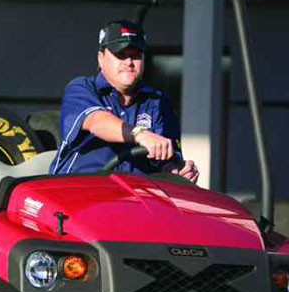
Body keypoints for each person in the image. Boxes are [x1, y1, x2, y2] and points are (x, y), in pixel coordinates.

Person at [48, 19, 199, 183]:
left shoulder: (158, 101)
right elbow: (96, 121)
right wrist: (140, 135)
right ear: (101, 58)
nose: (129, 62)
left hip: (135, 199)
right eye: (120, 54)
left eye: (136, 55)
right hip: (77, 193)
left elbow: (167, 157)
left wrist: (177, 170)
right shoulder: (82, 88)